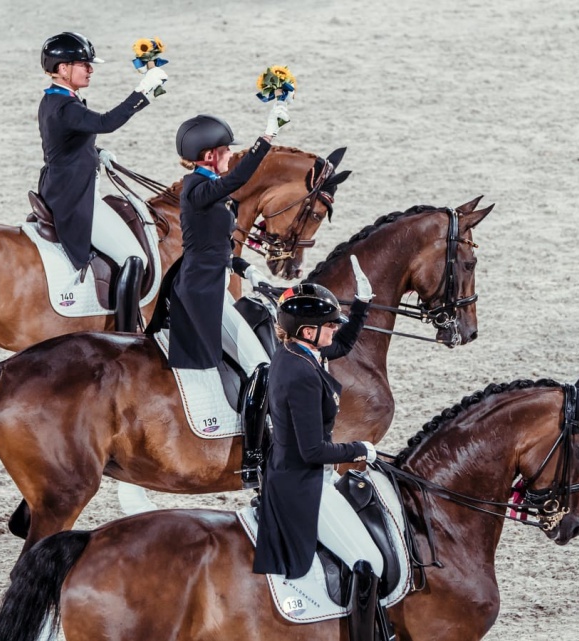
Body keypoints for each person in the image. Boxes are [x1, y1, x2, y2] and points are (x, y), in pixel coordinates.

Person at [252, 264, 384, 641]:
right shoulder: (302, 375)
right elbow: (313, 450)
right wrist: (361, 449)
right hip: (302, 483)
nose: (335, 330)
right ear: (309, 331)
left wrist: (362, 305)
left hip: (294, 473)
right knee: (369, 562)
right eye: (330, 325)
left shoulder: (298, 353)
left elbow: (340, 346)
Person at [37, 31, 168, 332]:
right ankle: (125, 334)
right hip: (74, 197)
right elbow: (105, 122)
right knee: (135, 258)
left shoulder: (57, 99)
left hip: (64, 185)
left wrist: (94, 153)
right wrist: (143, 92)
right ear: (62, 68)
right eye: (83, 64)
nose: (90, 69)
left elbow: (65, 142)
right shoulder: (65, 107)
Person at [167, 102, 290, 377]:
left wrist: (245, 268)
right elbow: (238, 179)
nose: (231, 154)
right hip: (203, 295)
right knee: (258, 364)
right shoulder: (198, 189)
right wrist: (268, 136)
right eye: (226, 150)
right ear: (210, 155)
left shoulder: (207, 189)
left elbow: (213, 244)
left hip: (213, 285)